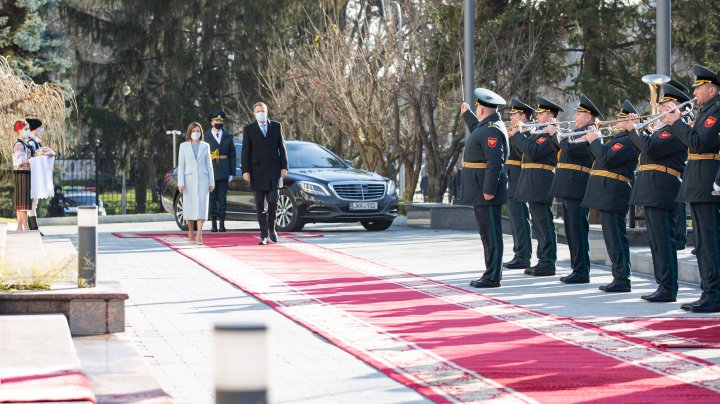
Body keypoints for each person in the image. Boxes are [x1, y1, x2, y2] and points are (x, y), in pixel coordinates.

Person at [661, 64, 720, 312]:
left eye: (699, 88)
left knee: (710, 242)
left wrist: (676, 123)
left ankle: (714, 295)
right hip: (697, 182)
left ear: (712, 89)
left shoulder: (716, 110)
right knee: (703, 244)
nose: (694, 92)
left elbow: (698, 143)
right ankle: (707, 291)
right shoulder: (704, 110)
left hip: (707, 183)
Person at [628, 83, 689, 298]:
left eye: (665, 106)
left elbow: (652, 149)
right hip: (652, 186)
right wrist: (638, 132)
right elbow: (644, 150)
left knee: (663, 240)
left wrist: (634, 131)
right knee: (655, 241)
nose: (660, 110)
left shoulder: (676, 129)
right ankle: (663, 285)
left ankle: (668, 287)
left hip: (662, 186)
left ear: (676, 108)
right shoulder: (662, 129)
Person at [581, 100, 640, 289]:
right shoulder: (617, 139)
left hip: (615, 192)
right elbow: (600, 158)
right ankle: (618, 276)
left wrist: (595, 140)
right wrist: (592, 142)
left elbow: (607, 159)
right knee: (611, 237)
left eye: (621, 119)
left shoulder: (628, 140)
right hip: (607, 192)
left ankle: (623, 278)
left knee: (616, 237)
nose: (615, 122)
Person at [545, 95, 600, 284]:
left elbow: (570, 149)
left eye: (579, 113)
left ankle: (582, 270)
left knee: (578, 230)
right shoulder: (577, 132)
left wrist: (556, 133)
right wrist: (555, 135)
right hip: (568, 185)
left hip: (577, 185)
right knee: (571, 231)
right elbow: (561, 150)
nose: (575, 116)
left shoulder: (589, 133)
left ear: (588, 117)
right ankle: (577, 268)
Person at [459, 88, 508, 288]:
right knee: (487, 234)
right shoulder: (488, 126)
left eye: (478, 106)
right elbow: (477, 132)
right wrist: (466, 114)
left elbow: (495, 162)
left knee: (491, 235)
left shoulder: (492, 130)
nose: (477, 109)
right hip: (480, 189)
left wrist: (489, 189)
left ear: (482, 109)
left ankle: (493, 276)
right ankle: (491, 272)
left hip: (485, 191)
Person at [509, 96, 562, 276]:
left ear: (550, 116)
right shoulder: (536, 132)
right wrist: (518, 134)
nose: (537, 116)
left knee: (544, 222)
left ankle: (548, 261)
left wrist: (517, 135)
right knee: (538, 223)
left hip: (542, 179)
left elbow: (533, 152)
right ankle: (542, 259)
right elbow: (521, 152)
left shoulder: (549, 133)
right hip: (532, 179)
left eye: (541, 113)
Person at [241, 102, 288, 245]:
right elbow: (245, 151)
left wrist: (284, 165)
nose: (261, 113)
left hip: (274, 172)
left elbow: (282, 146)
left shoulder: (276, 126)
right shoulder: (249, 129)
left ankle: (272, 229)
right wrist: (245, 170)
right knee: (260, 206)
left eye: (263, 110)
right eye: (258, 111)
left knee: (273, 201)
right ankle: (263, 234)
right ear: (254, 113)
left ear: (267, 112)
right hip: (257, 173)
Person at [502, 99, 534, 270]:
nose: (512, 118)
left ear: (523, 116)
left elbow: (524, 152)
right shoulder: (517, 132)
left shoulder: (529, 131)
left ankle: (524, 255)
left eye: (514, 114)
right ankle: (519, 253)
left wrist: (514, 135)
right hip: (511, 177)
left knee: (521, 218)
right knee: (515, 218)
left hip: (520, 178)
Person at [178, 122, 214, 244]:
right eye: (193, 131)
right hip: (188, 181)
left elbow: (209, 165)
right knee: (189, 206)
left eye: (198, 131)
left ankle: (199, 234)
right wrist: (180, 183)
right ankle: (190, 232)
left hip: (203, 180)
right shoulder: (183, 146)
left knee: (202, 207)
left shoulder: (206, 146)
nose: (195, 133)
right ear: (189, 132)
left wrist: (211, 182)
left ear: (201, 132)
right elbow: (181, 166)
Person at [668, 78, 693, 251]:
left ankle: (680, 237)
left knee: (681, 203)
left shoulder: (686, 115)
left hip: (684, 162)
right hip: (681, 161)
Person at [204, 109, 236, 232]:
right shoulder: (206, 137)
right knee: (213, 199)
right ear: (212, 122)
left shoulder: (228, 136)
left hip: (224, 170)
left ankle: (222, 223)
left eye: (221, 120)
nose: (219, 122)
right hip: (211, 171)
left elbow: (232, 155)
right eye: (217, 120)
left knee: (222, 199)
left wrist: (232, 173)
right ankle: (213, 224)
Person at [25, 118, 45, 234]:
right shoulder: (31, 142)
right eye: (41, 127)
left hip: (37, 174)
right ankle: (33, 228)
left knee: (34, 203)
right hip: (32, 175)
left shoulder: (36, 141)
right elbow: (31, 158)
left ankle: (34, 227)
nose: (42, 129)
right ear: (37, 128)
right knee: (32, 203)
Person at [12, 120, 32, 231]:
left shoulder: (24, 143)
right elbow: (18, 161)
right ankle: (25, 227)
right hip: (22, 174)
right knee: (23, 203)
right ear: (19, 130)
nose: (28, 131)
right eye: (25, 129)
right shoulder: (19, 144)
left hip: (24, 174)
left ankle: (19, 228)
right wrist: (32, 160)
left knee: (21, 203)